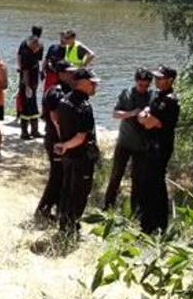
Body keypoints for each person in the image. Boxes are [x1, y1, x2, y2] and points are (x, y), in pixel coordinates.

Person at [134, 65, 180, 234]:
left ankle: (158, 224)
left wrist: (146, 117)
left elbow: (149, 121)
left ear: (170, 80)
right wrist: (145, 116)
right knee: (146, 184)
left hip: (161, 147)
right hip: (150, 145)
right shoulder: (158, 96)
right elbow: (143, 116)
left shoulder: (170, 100)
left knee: (156, 185)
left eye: (160, 78)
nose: (156, 81)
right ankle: (147, 223)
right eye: (156, 77)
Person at [54, 68, 100, 234]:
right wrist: (66, 145)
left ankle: (63, 223)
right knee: (79, 192)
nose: (96, 86)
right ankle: (71, 228)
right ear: (83, 83)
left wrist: (63, 144)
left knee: (67, 189)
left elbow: (57, 122)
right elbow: (81, 137)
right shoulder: (84, 106)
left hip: (68, 156)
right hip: (81, 157)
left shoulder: (64, 100)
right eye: (93, 83)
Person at [103, 68, 155, 210]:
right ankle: (108, 205)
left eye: (146, 85)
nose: (143, 88)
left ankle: (135, 209)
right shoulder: (126, 94)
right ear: (136, 81)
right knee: (116, 175)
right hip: (124, 143)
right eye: (140, 85)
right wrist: (132, 113)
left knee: (137, 179)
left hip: (142, 146)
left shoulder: (152, 96)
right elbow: (115, 114)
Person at [35, 60, 76, 222]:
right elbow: (55, 119)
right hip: (55, 139)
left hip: (60, 139)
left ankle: (57, 208)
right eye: (69, 72)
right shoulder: (56, 92)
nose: (72, 75)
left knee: (62, 175)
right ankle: (43, 209)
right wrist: (62, 141)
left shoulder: (67, 90)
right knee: (57, 175)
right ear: (61, 74)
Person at [17, 31, 44, 140]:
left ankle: (34, 130)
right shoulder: (26, 54)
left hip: (32, 85)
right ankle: (24, 132)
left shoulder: (32, 53)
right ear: (32, 43)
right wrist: (27, 86)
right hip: (27, 85)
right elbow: (25, 72)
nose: (39, 47)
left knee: (33, 108)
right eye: (37, 45)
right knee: (26, 108)